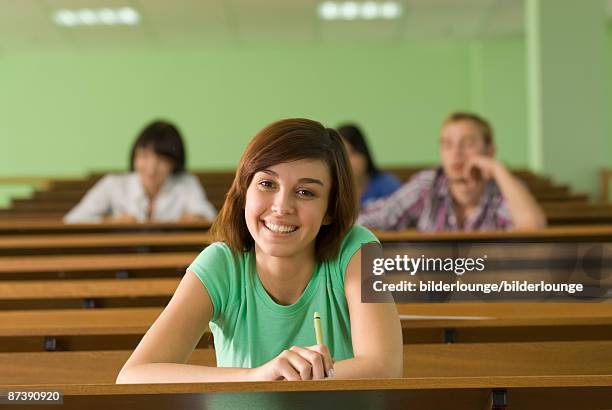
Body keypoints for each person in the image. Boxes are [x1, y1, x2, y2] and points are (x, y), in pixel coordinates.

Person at [116, 118, 402, 383]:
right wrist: (255, 377)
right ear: (244, 194)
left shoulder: (361, 251)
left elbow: (385, 367)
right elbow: (134, 376)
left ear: (330, 209)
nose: (281, 206)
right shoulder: (220, 265)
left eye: (306, 192)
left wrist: (288, 377)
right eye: (267, 184)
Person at [358, 112, 547, 231]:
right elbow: (376, 218)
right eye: (447, 144)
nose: (456, 153)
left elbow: (534, 229)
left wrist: (498, 168)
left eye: (468, 143)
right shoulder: (428, 185)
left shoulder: (505, 187)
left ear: (489, 151)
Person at [64, 120, 217, 223]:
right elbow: (72, 220)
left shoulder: (186, 183)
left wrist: (196, 218)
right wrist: (110, 221)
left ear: (174, 163)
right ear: (134, 156)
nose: (151, 168)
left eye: (162, 160)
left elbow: (210, 219)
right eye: (144, 156)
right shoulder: (112, 184)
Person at [338, 124, 401, 208]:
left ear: (364, 153)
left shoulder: (387, 185)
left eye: (353, 152)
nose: (347, 161)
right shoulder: (334, 189)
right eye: (342, 154)